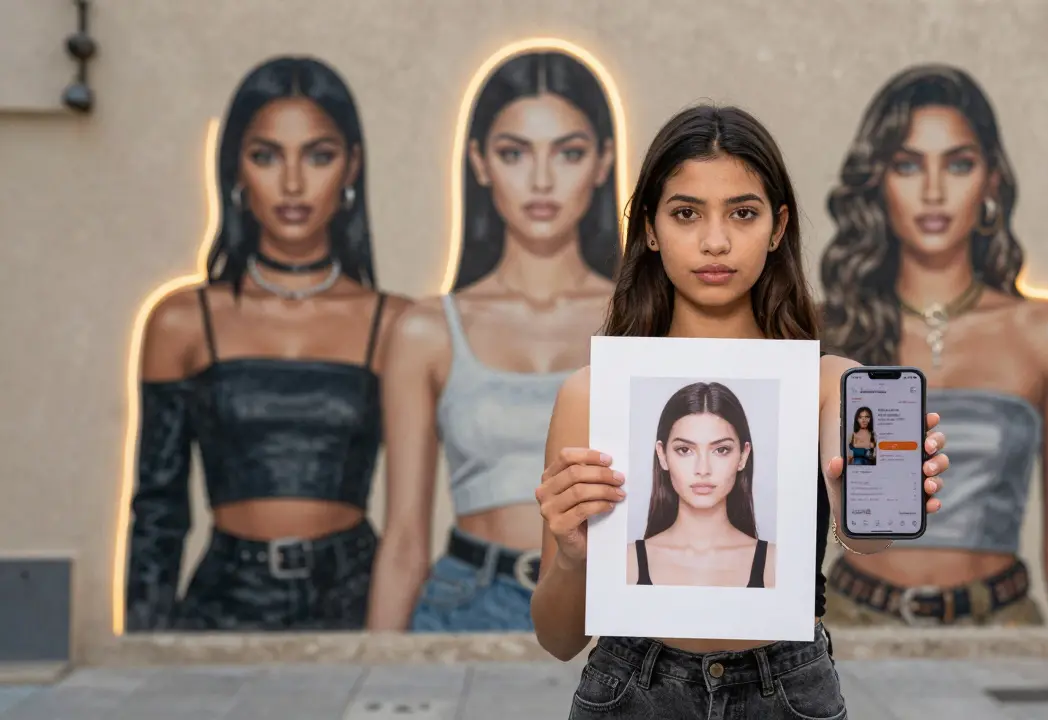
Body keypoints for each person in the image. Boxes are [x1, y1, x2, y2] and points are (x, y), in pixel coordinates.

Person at [529, 103, 950, 718]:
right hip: (629, 687)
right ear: (650, 228)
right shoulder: (593, 395)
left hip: (788, 690)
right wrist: (572, 556)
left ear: (778, 228)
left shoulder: (828, 383)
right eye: (686, 213)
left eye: (743, 213)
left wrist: (863, 499)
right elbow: (558, 639)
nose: (715, 241)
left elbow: (869, 539)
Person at [123, 55, 410, 632]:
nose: (293, 183)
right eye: (266, 156)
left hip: (354, 593)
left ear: (352, 167)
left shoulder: (395, 324)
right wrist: (142, 651)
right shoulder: (182, 321)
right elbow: (158, 512)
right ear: (235, 165)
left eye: (319, 156)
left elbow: (412, 518)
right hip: (224, 598)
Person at [819, 63, 1048, 627]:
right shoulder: (824, 328)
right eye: (907, 165)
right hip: (847, 624)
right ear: (877, 181)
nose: (933, 191)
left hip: (1004, 624)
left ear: (992, 180)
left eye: (959, 164)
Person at [365, 50, 620, 632]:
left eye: (568, 153)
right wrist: (376, 667)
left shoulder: (643, 320)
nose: (541, 180)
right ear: (479, 161)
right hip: (464, 603)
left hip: (605, 604)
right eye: (514, 153)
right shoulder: (427, 330)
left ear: (603, 161)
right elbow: (404, 537)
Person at [629, 381, 774, 589]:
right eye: (685, 450)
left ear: (743, 455)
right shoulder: (627, 563)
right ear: (662, 455)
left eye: (721, 450)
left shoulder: (776, 565)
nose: (703, 469)